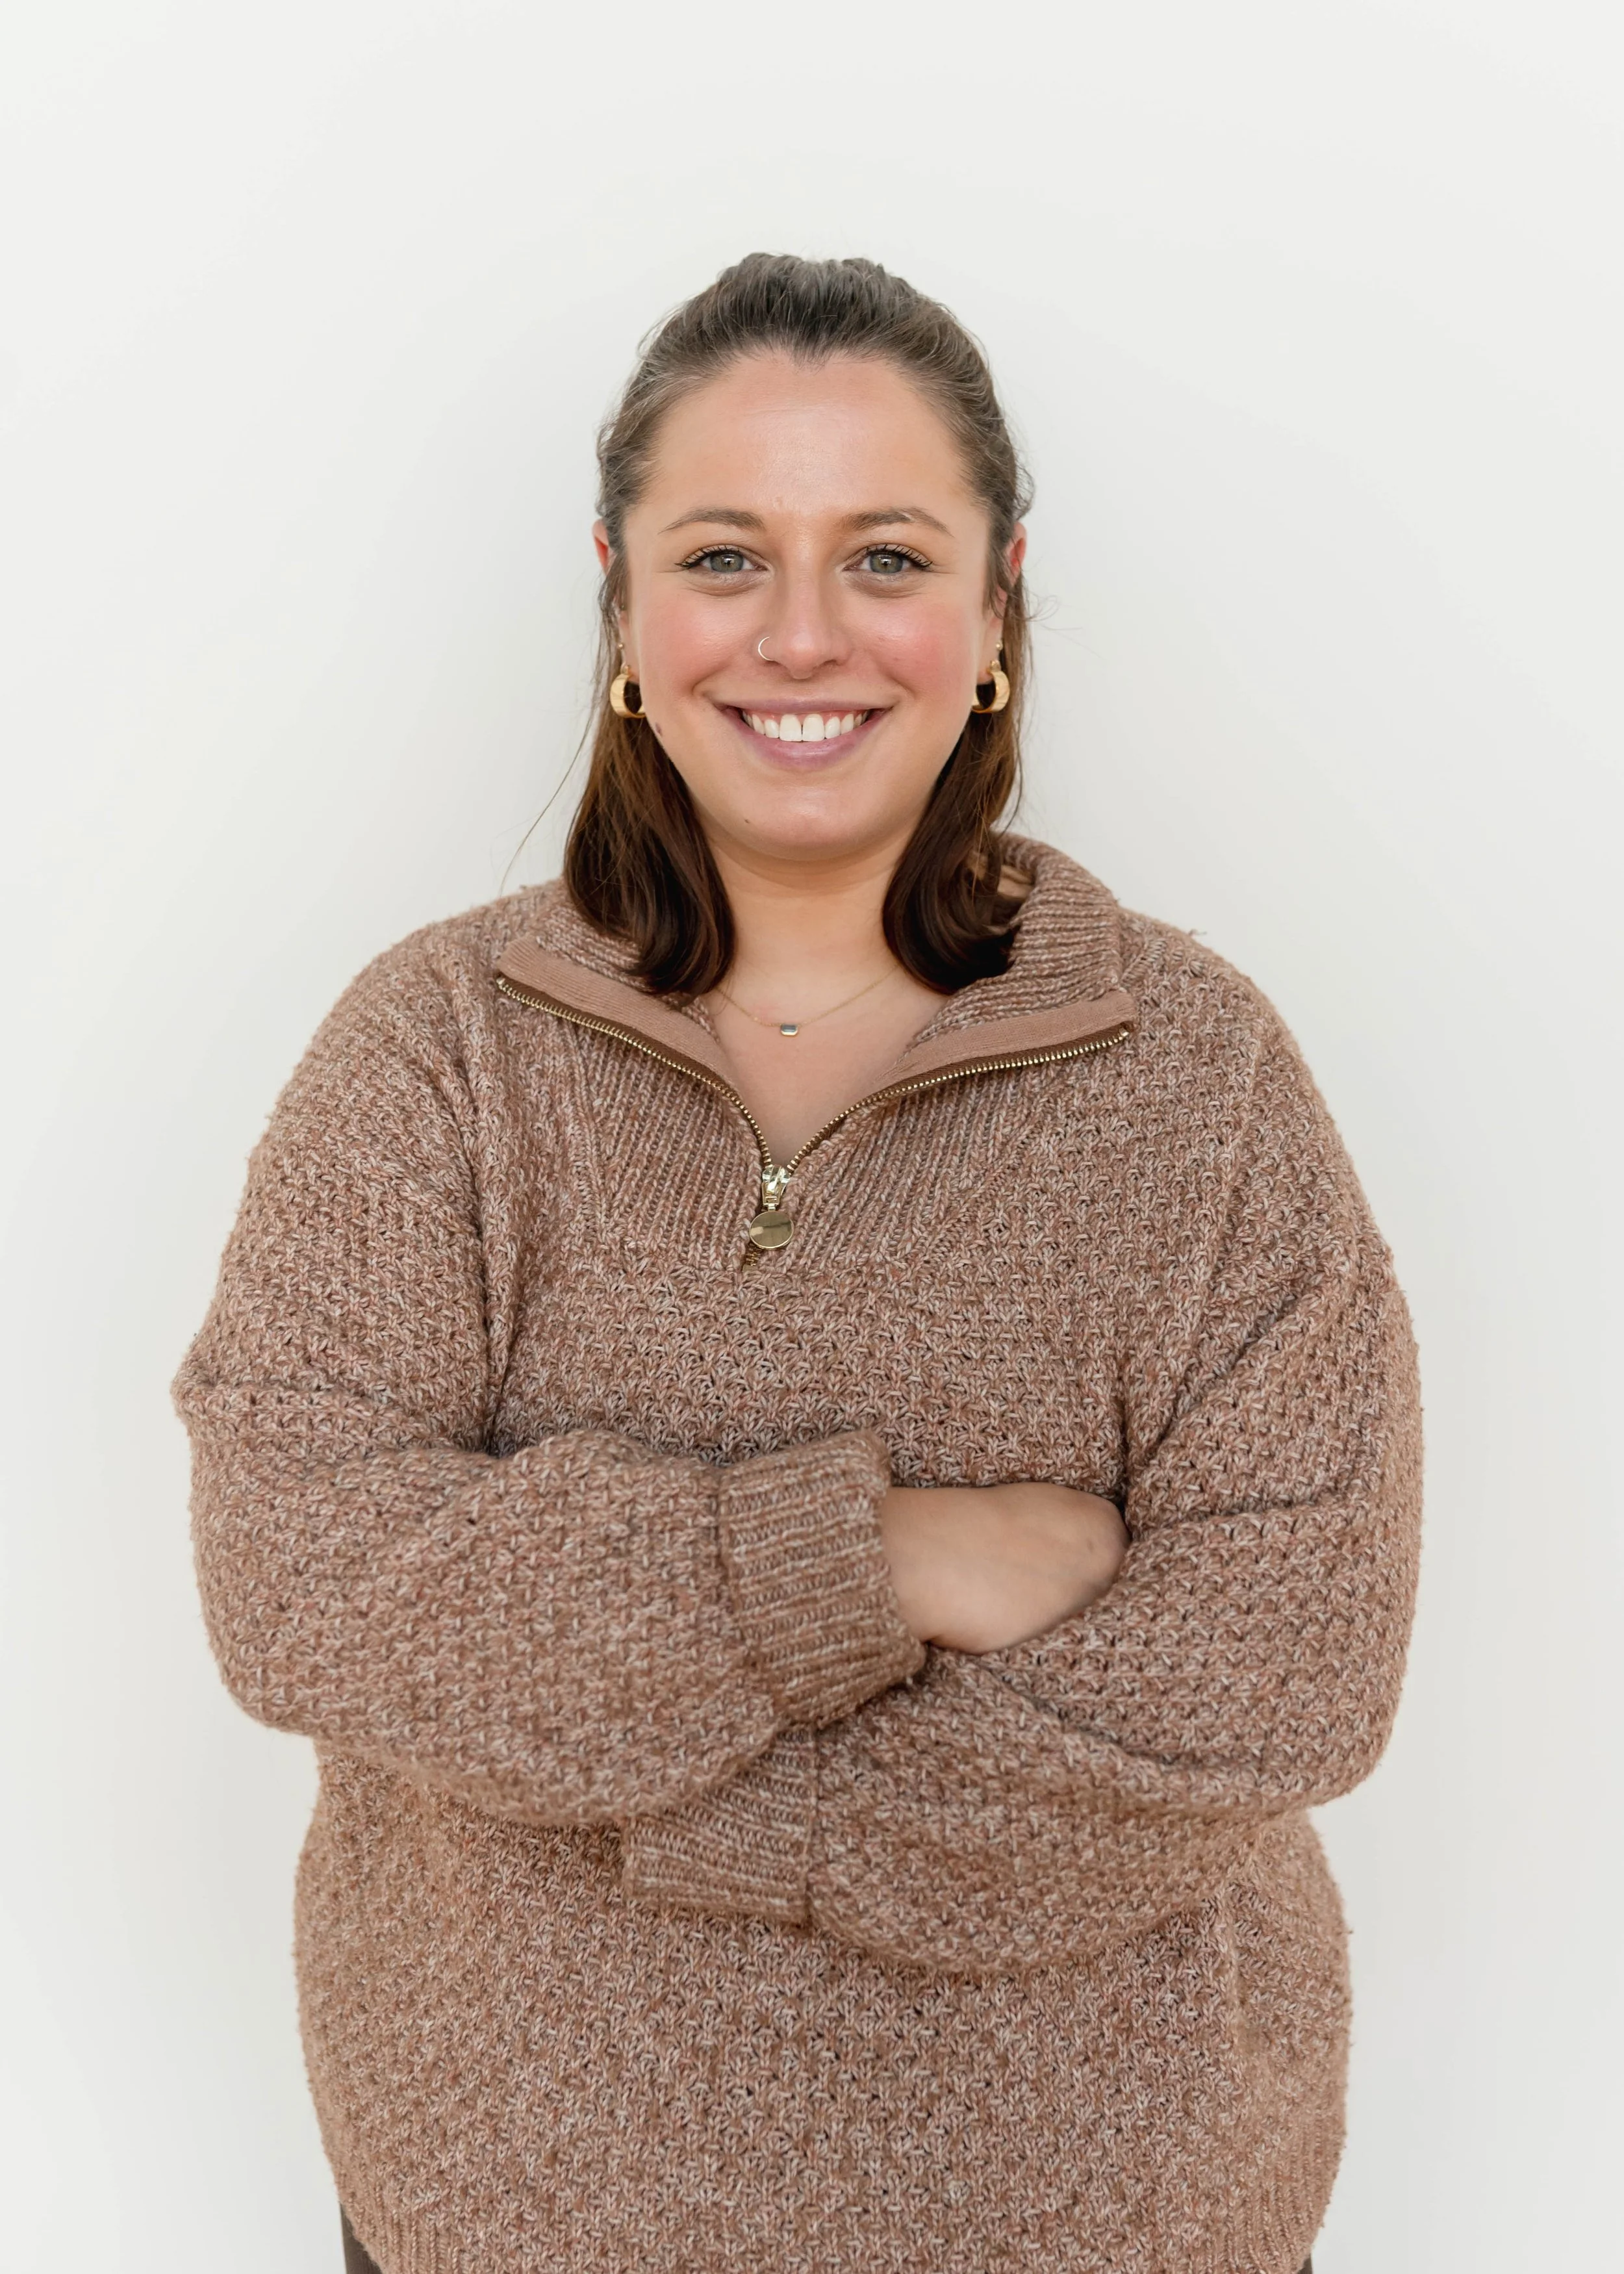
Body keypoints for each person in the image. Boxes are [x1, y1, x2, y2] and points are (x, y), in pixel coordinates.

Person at [175, 252, 1421, 2274]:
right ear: (622, 602)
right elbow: (306, 1585)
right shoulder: (432, 1052)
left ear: (999, 598)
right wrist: (873, 1557)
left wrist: (648, 1800)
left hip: (1110, 2225)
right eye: (728, 554)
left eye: (889, 555)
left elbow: (1276, 1675)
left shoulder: (1200, 1079)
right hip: (509, 2222)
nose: (805, 636)